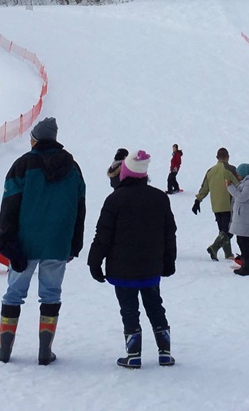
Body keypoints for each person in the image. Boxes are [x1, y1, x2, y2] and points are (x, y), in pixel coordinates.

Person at [0, 117, 87, 366]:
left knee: (13, 295)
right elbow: (80, 208)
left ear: (35, 138)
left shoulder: (22, 165)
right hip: (58, 242)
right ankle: (45, 352)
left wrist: (6, 240)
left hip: (23, 245)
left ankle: (4, 350)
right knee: (50, 295)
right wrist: (74, 244)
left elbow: (9, 204)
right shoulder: (73, 168)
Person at [87, 150, 177, 369]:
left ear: (124, 173)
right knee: (155, 305)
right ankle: (165, 353)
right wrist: (169, 262)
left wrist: (94, 262)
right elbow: (169, 232)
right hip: (151, 267)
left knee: (129, 309)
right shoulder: (159, 198)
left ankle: (134, 354)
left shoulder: (115, 199)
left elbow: (103, 235)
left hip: (122, 268)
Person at [191, 147, 242, 261]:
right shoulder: (231, 169)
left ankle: (228, 254)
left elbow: (204, 188)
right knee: (229, 231)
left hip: (216, 206)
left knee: (222, 231)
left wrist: (197, 201)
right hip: (229, 205)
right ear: (228, 157)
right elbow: (239, 185)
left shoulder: (210, 171)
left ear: (217, 158)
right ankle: (214, 248)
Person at [227, 163, 249, 276]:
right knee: (241, 240)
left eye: (239, 174)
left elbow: (242, 197)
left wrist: (230, 187)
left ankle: (247, 267)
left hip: (245, 217)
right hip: (242, 216)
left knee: (244, 241)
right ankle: (245, 264)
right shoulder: (247, 182)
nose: (237, 176)